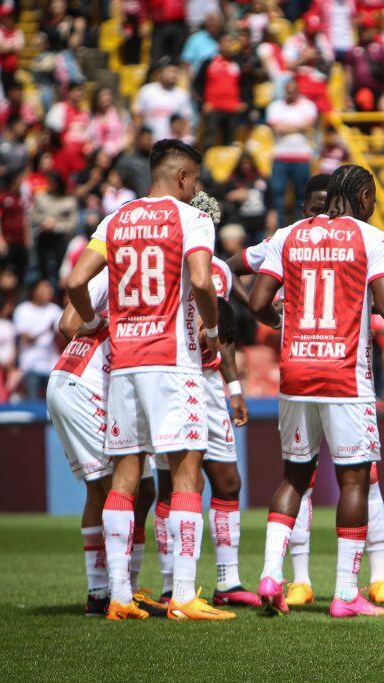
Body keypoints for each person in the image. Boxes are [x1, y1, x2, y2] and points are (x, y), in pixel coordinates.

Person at [66, 139, 232, 622]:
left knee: (125, 474)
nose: (196, 188)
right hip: (172, 361)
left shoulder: (115, 219)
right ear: (182, 176)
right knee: (186, 469)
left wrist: (92, 323)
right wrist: (213, 332)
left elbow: (75, 282)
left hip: (123, 364)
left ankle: (120, 595)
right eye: (195, 179)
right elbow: (200, 281)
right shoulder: (192, 218)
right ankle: (183, 594)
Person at [247, 164, 384, 618]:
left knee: (295, 477)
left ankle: (271, 574)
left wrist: (285, 323)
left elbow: (257, 302)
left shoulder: (288, 235)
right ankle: (346, 593)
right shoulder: (373, 240)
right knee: (354, 479)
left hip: (296, 372)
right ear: (365, 198)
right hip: (346, 376)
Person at [149, 191, 253, 608]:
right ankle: (170, 583)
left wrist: (234, 388)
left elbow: (223, 334)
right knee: (171, 484)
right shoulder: (161, 264)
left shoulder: (220, 272)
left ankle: (228, 581)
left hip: (209, 384)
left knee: (227, 481)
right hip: (170, 377)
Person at [47, 270, 160, 617]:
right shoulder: (148, 286)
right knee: (120, 489)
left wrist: (99, 329)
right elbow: (68, 323)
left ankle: (102, 592)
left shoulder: (113, 273)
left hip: (67, 378)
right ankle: (119, 591)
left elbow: (67, 324)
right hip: (88, 386)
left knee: (117, 488)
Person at [266, 79, 319, 228]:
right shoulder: (275, 106)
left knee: (301, 195)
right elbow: (277, 128)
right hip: (281, 156)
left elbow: (308, 125)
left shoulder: (308, 105)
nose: (290, 93)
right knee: (278, 195)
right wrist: (299, 127)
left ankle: (300, 226)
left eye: (293, 90)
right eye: (288, 90)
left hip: (302, 157)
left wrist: (286, 127)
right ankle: (279, 228)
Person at [14, 279, 62, 400]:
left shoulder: (55, 310)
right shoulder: (22, 310)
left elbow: (62, 334)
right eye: (44, 288)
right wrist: (47, 329)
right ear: (34, 291)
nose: (49, 291)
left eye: (50, 288)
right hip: (31, 366)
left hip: (52, 366)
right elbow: (26, 338)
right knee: (33, 404)